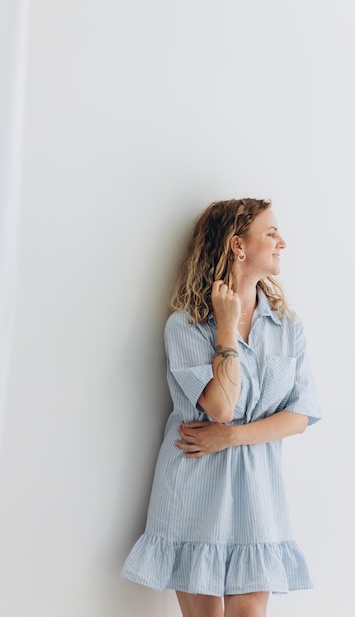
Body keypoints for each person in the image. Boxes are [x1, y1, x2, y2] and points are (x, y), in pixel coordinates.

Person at [120, 198, 321, 617]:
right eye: (271, 233)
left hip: (258, 497)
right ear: (237, 245)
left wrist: (232, 439)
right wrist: (226, 329)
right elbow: (221, 407)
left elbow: (299, 416)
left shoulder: (287, 326)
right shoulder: (187, 324)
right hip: (196, 490)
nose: (282, 241)